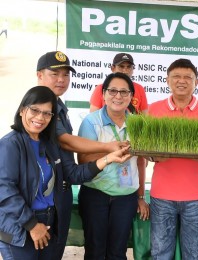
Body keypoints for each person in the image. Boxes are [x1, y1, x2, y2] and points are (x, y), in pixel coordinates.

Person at [0, 86, 131, 260]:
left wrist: (108, 159)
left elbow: (73, 174)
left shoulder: (50, 144)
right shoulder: (11, 144)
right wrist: (32, 225)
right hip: (21, 227)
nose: (40, 117)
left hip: (49, 222)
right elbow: (4, 190)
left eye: (47, 113)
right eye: (35, 110)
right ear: (23, 110)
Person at [36, 51, 128, 259]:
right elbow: (65, 140)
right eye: (55, 74)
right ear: (39, 75)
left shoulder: (59, 107)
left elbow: (69, 161)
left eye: (66, 75)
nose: (61, 80)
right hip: (41, 200)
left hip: (61, 193)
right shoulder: (37, 106)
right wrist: (108, 148)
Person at [148, 58, 198, 259]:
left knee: (194, 252)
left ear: (197, 82)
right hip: (162, 194)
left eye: (188, 77)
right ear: (167, 80)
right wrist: (154, 155)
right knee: (160, 251)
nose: (182, 81)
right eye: (176, 76)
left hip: (195, 195)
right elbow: (145, 152)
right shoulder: (154, 110)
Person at [77, 72, 148, 259]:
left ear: (132, 97)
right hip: (95, 194)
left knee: (118, 251)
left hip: (126, 196)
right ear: (104, 94)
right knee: (95, 250)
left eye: (124, 92)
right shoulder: (91, 122)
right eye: (113, 91)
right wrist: (113, 152)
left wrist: (140, 195)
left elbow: (141, 162)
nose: (118, 96)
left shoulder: (138, 124)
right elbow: (83, 159)